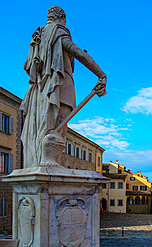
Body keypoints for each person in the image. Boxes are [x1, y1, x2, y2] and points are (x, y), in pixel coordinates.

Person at [20, 6, 107, 167]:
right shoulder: (59, 33)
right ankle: (49, 162)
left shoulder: (38, 38)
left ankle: (41, 161)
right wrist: (101, 74)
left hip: (39, 90)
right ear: (62, 18)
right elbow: (80, 54)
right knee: (58, 128)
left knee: (43, 127)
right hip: (59, 85)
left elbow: (28, 66)